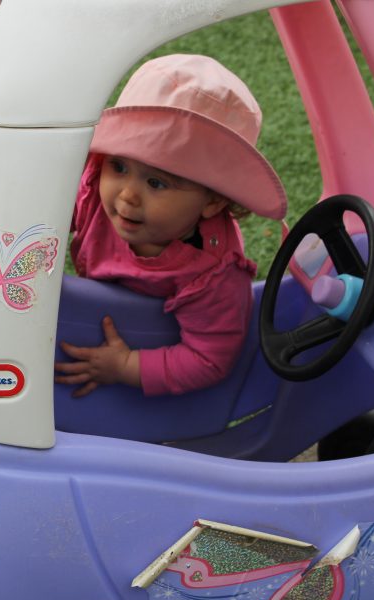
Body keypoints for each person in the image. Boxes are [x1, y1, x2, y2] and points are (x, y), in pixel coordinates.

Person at [55, 54, 287, 398]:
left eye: (157, 183)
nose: (128, 194)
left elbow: (209, 359)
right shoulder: (90, 188)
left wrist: (125, 366)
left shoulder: (212, 276)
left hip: (134, 376)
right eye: (119, 165)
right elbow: (38, 223)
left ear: (213, 201)